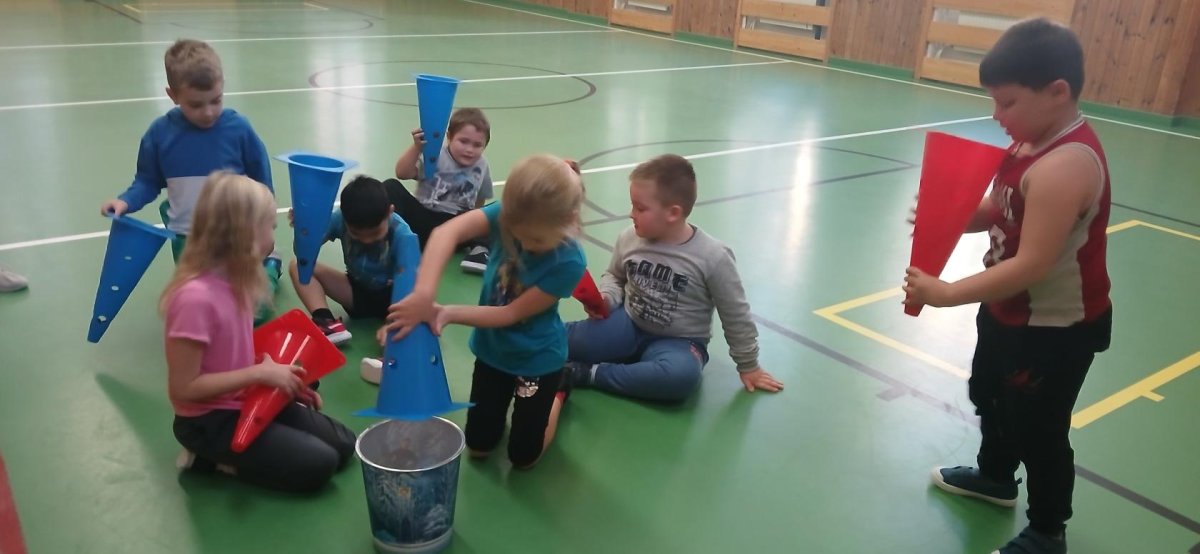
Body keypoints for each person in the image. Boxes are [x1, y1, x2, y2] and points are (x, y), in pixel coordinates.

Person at [904, 18, 1113, 554]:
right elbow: (1004, 207)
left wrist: (947, 292)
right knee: (991, 396)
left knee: (1039, 429)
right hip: (1008, 311)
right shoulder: (1027, 143)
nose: (997, 114)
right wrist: (950, 217)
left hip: (1054, 328)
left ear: (1058, 92)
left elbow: (1032, 264)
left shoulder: (1066, 165)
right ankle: (996, 477)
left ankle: (1048, 530)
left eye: (1008, 102)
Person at [384, 154, 585, 469]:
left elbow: (510, 314)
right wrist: (424, 294)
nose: (523, 242)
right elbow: (445, 234)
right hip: (492, 351)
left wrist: (445, 313)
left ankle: (559, 389)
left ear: (568, 221)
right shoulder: (514, 213)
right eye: (517, 233)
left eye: (535, 239)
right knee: (478, 447)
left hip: (537, 359)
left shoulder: (569, 261)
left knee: (523, 458)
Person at [162, 172, 354, 493]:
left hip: (244, 398)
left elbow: (230, 356)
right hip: (208, 421)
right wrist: (260, 375)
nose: (273, 237)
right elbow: (184, 388)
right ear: (246, 233)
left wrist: (282, 381)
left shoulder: (239, 280)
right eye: (271, 227)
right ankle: (209, 459)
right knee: (321, 465)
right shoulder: (194, 299)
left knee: (345, 445)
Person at [563, 154, 783, 402]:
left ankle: (588, 373)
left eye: (640, 208)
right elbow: (615, 276)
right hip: (628, 324)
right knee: (560, 338)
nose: (631, 214)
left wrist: (748, 365)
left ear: (673, 213)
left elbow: (735, 314)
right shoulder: (629, 238)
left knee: (679, 377)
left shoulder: (713, 256)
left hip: (679, 342)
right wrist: (607, 299)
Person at [99, 39, 281, 323]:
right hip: (187, 238)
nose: (208, 112)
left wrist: (264, 222)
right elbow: (147, 180)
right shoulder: (160, 134)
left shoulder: (238, 129)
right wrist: (125, 202)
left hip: (234, 234)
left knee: (248, 313)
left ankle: (270, 268)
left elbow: (261, 178)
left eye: (216, 100)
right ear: (173, 95)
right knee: (198, 306)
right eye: (196, 104)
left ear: (223, 86)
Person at [287, 175, 413, 351]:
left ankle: (396, 328)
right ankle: (326, 323)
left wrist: (394, 323)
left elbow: (410, 285)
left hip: (394, 298)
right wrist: (305, 230)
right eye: (357, 234)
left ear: (389, 212)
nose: (367, 240)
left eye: (375, 233)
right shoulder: (339, 219)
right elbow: (304, 256)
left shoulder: (403, 234)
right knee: (297, 266)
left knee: (408, 327)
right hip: (356, 293)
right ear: (344, 217)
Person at [390, 107, 494, 273]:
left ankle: (479, 251)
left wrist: (475, 226)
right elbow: (402, 173)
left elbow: (480, 201)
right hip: (422, 221)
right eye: (463, 141)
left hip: (455, 230)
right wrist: (417, 148)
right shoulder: (435, 155)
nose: (469, 149)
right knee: (391, 186)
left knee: (499, 210)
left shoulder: (482, 165)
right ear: (449, 137)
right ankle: (396, 238)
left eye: (477, 145)